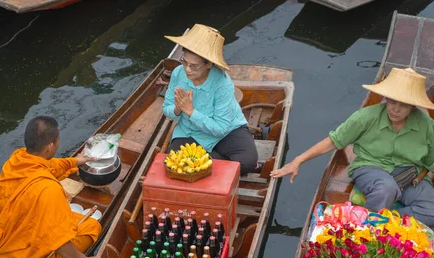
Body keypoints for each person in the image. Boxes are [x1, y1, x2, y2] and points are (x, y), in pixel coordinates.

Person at [271, 67, 434, 228]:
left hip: (409, 173)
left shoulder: (426, 125)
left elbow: (430, 160)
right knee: (386, 189)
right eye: (392, 101)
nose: (395, 109)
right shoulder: (367, 117)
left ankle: (386, 222)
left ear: (413, 106)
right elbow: (333, 141)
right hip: (371, 168)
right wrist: (298, 160)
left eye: (403, 105)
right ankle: (370, 226)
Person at [0, 116, 103, 258]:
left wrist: (76, 161)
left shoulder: (16, 161)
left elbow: (49, 166)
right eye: (58, 141)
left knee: (63, 220)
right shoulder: (49, 190)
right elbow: (59, 244)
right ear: (50, 146)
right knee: (91, 226)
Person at [162, 24, 258, 175]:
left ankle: (212, 162)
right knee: (179, 162)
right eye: (184, 62)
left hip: (227, 132)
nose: (187, 69)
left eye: (194, 66)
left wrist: (190, 111)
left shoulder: (223, 84)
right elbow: (166, 108)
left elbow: (220, 129)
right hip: (190, 133)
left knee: (247, 163)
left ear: (209, 64)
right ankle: (220, 163)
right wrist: (177, 109)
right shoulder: (177, 73)